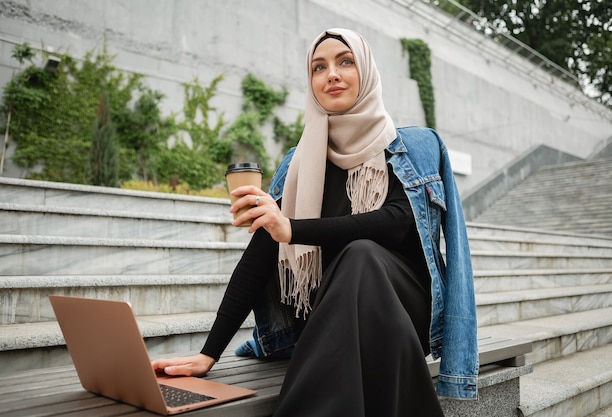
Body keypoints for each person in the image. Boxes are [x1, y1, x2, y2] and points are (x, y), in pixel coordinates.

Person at [152, 28, 478, 416]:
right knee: (357, 263)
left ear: (367, 70)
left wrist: (293, 228)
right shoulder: (299, 162)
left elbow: (395, 222)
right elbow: (260, 254)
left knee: (362, 255)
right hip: (332, 314)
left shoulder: (414, 145)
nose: (332, 74)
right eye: (318, 67)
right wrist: (208, 354)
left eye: (345, 61)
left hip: (405, 305)